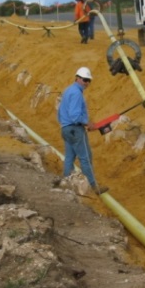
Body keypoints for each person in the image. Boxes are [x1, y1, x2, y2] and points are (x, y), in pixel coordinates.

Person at [57, 67, 108, 195]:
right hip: (75, 129)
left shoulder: (68, 90)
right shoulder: (76, 93)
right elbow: (75, 116)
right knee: (85, 157)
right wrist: (87, 123)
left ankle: (66, 182)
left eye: (88, 80)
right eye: (85, 80)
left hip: (66, 129)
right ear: (77, 78)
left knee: (69, 157)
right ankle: (93, 186)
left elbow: (60, 112)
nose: (86, 83)